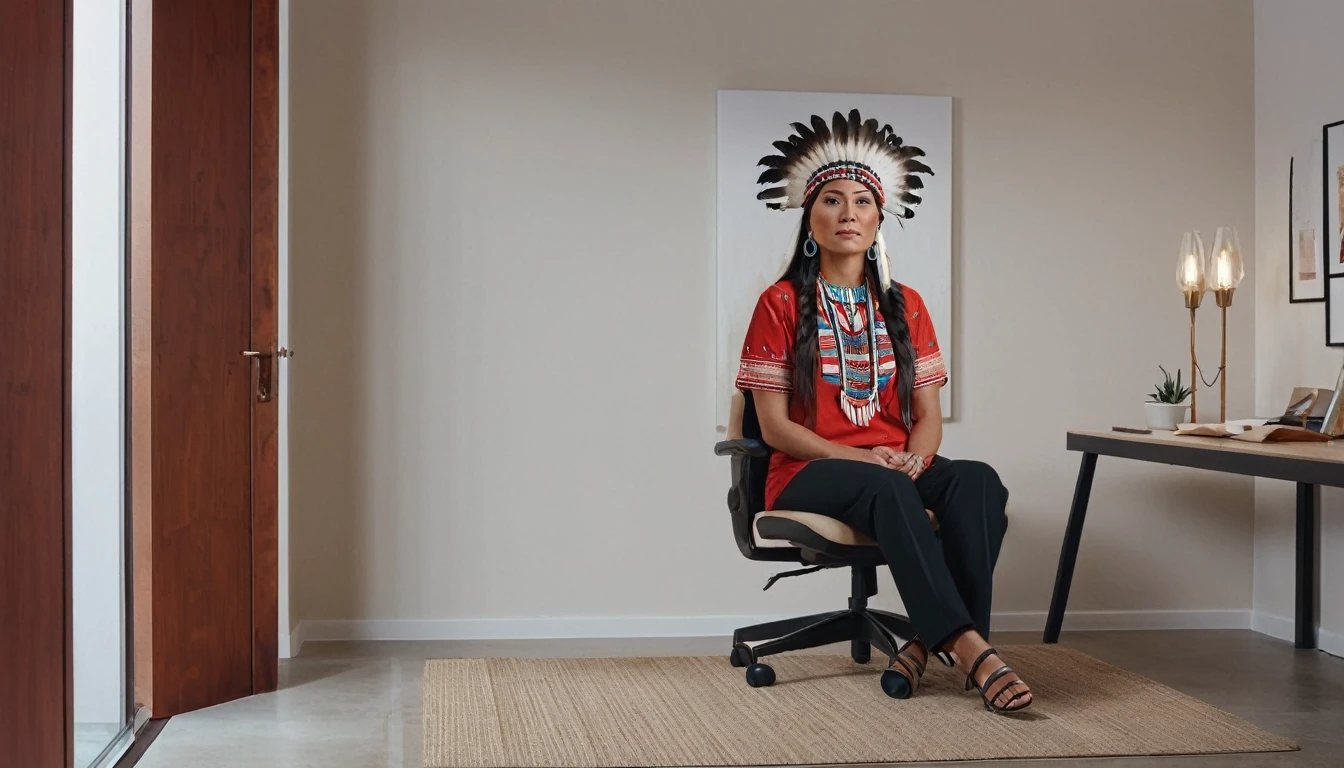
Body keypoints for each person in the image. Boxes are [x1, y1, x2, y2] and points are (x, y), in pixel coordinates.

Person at [734, 110, 1031, 714]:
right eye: (833, 201)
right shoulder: (780, 302)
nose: (849, 213)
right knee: (886, 488)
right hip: (807, 470)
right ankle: (973, 650)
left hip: (893, 464)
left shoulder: (908, 304)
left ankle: (925, 639)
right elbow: (774, 428)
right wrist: (870, 459)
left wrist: (913, 461)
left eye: (863, 201)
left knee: (978, 481)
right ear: (810, 221)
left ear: (879, 220)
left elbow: (927, 413)